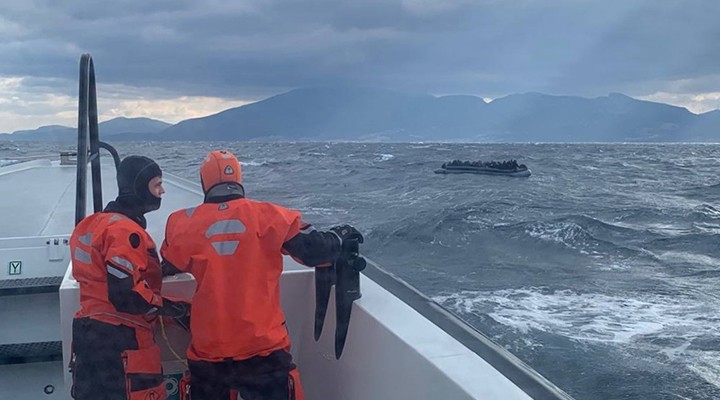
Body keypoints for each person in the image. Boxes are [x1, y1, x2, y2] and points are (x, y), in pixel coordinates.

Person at [161, 150, 363, 400]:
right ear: (238, 178)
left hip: (209, 351)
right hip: (262, 350)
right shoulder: (270, 216)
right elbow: (314, 252)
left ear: (204, 182)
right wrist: (339, 235)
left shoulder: (182, 223)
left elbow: (170, 263)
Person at [69, 155, 188, 400]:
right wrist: (174, 309)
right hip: (122, 342)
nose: (162, 191)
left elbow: (100, 279)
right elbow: (125, 297)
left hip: (87, 336)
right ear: (138, 187)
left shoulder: (88, 225)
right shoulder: (126, 232)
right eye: (157, 184)